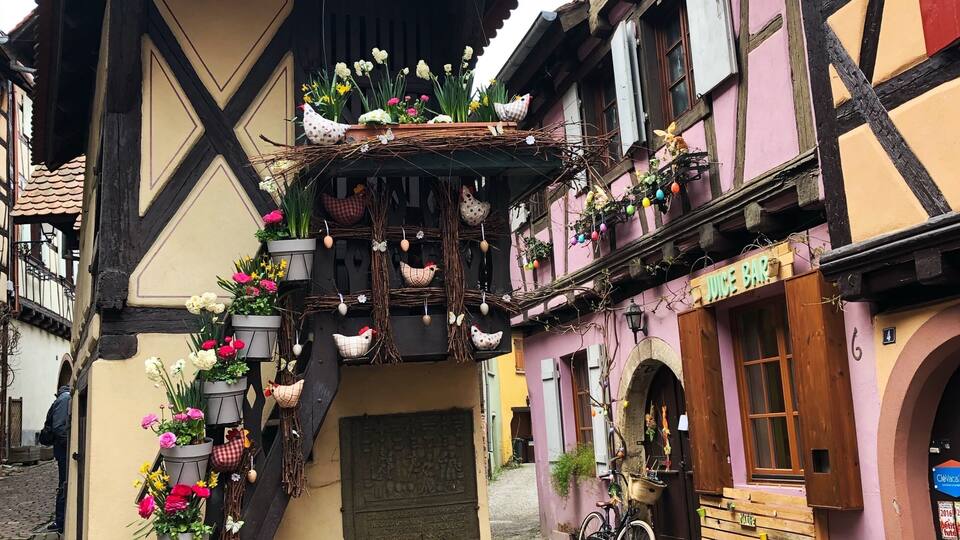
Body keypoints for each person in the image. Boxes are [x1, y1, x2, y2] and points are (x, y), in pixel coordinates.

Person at [39, 386, 70, 534]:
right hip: (64, 451)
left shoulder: (62, 398)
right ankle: (60, 521)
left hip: (61, 450)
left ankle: (61, 521)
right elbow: (59, 428)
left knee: (64, 484)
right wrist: (70, 444)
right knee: (64, 485)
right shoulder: (65, 400)